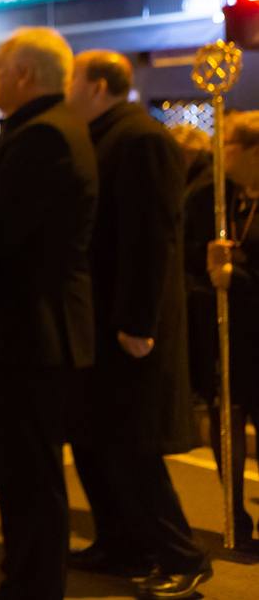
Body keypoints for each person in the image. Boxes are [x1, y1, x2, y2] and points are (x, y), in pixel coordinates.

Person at [0, 27, 97, 600]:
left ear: (23, 75)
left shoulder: (43, 137)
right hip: (29, 331)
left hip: (31, 333)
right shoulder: (46, 130)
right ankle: (24, 585)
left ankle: (31, 590)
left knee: (28, 476)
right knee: (24, 474)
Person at [63, 50, 209, 598]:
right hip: (102, 320)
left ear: (98, 85)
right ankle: (120, 543)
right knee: (96, 440)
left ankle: (182, 555)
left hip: (131, 327)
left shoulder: (140, 138)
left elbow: (152, 240)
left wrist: (137, 322)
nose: (66, 87)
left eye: (72, 78)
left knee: (130, 446)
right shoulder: (103, 135)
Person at [187, 110, 259, 558]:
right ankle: (235, 515)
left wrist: (238, 276)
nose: (221, 153)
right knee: (225, 425)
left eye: (229, 144)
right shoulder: (221, 198)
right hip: (230, 339)